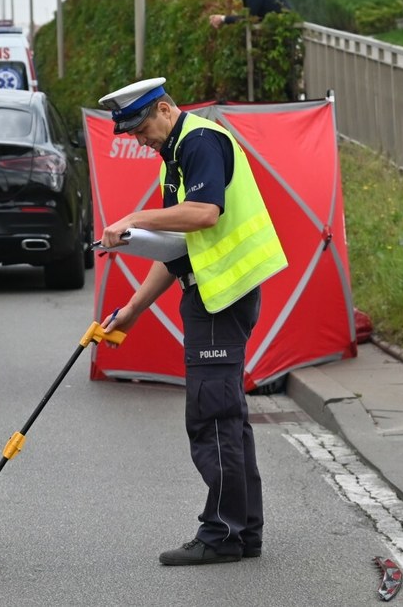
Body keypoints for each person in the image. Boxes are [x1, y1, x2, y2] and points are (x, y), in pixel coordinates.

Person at [97, 77, 288, 566]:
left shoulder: (201, 140)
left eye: (141, 128)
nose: (139, 140)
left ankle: (222, 534)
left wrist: (134, 219)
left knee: (213, 415)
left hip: (221, 298)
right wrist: (133, 311)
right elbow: (180, 248)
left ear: (164, 109)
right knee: (228, 419)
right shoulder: (178, 153)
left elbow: (204, 214)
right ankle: (243, 532)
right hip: (212, 293)